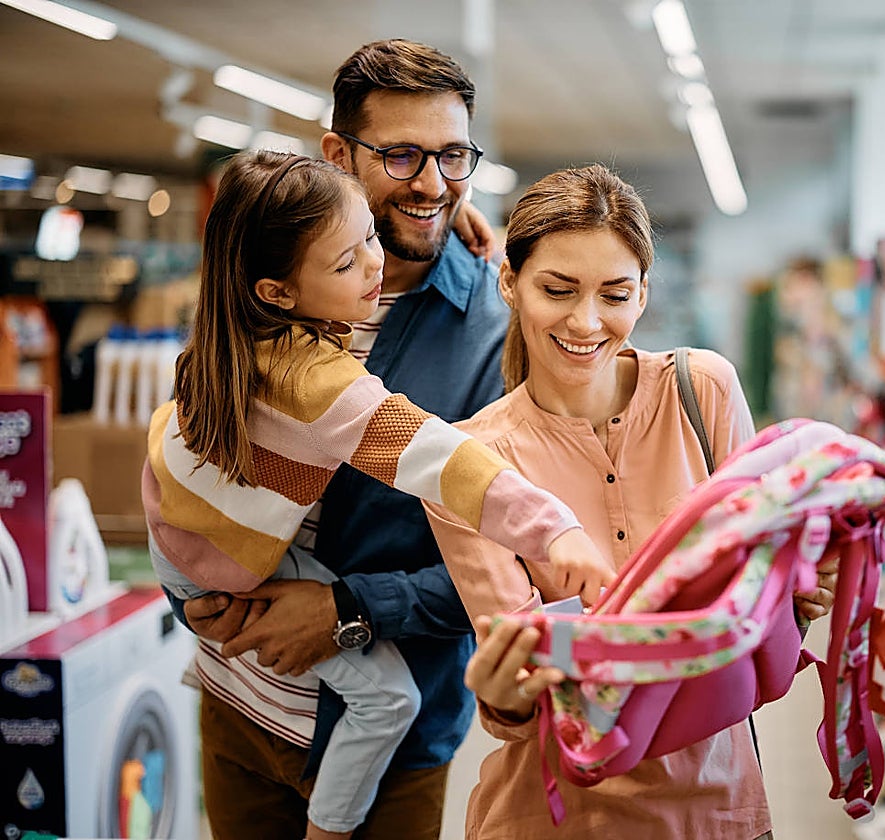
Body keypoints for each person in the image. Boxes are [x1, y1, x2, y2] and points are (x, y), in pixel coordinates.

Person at [146, 149, 612, 840]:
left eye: (370, 235)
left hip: (184, 541)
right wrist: (555, 529)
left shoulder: (227, 331)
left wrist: (455, 225)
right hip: (226, 602)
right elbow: (447, 462)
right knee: (389, 698)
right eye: (347, 260)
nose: (375, 264)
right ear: (278, 290)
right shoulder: (320, 383)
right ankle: (330, 830)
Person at [425, 163, 836, 839]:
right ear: (510, 283)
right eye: (557, 289)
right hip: (555, 822)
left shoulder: (702, 393)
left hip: (718, 813)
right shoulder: (472, 463)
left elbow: (762, 642)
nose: (586, 321)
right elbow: (526, 702)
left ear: (643, 293)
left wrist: (793, 599)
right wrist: (506, 696)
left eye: (614, 294)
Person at [173, 40, 517, 840]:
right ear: (337, 154)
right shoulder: (265, 284)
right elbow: (192, 449)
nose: (432, 183)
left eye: (452, 155)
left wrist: (347, 610)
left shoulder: (494, 335)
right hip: (240, 704)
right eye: (401, 155)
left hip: (391, 746)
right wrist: (189, 596)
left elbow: (510, 567)